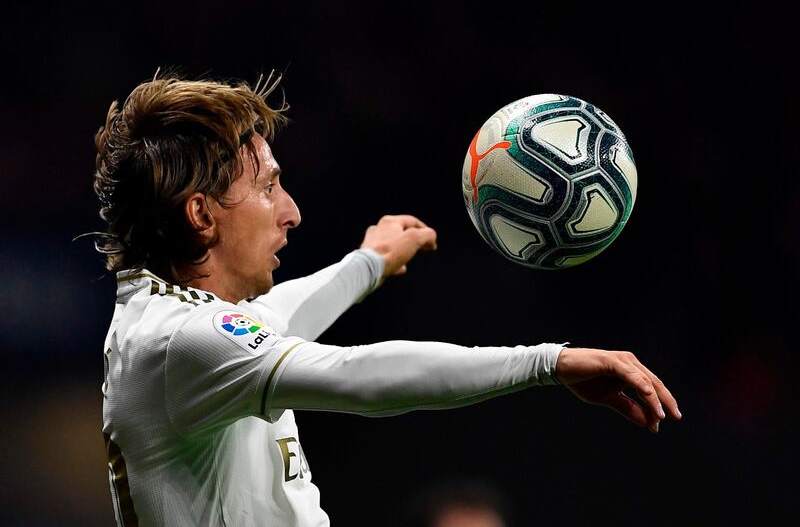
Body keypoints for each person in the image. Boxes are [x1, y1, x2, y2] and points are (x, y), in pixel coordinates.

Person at [92, 72, 681, 527]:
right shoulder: (182, 343)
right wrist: (545, 362)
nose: (291, 212)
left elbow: (272, 316)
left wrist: (368, 264)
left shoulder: (174, 319)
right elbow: (359, 374)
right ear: (201, 215)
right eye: (268, 187)